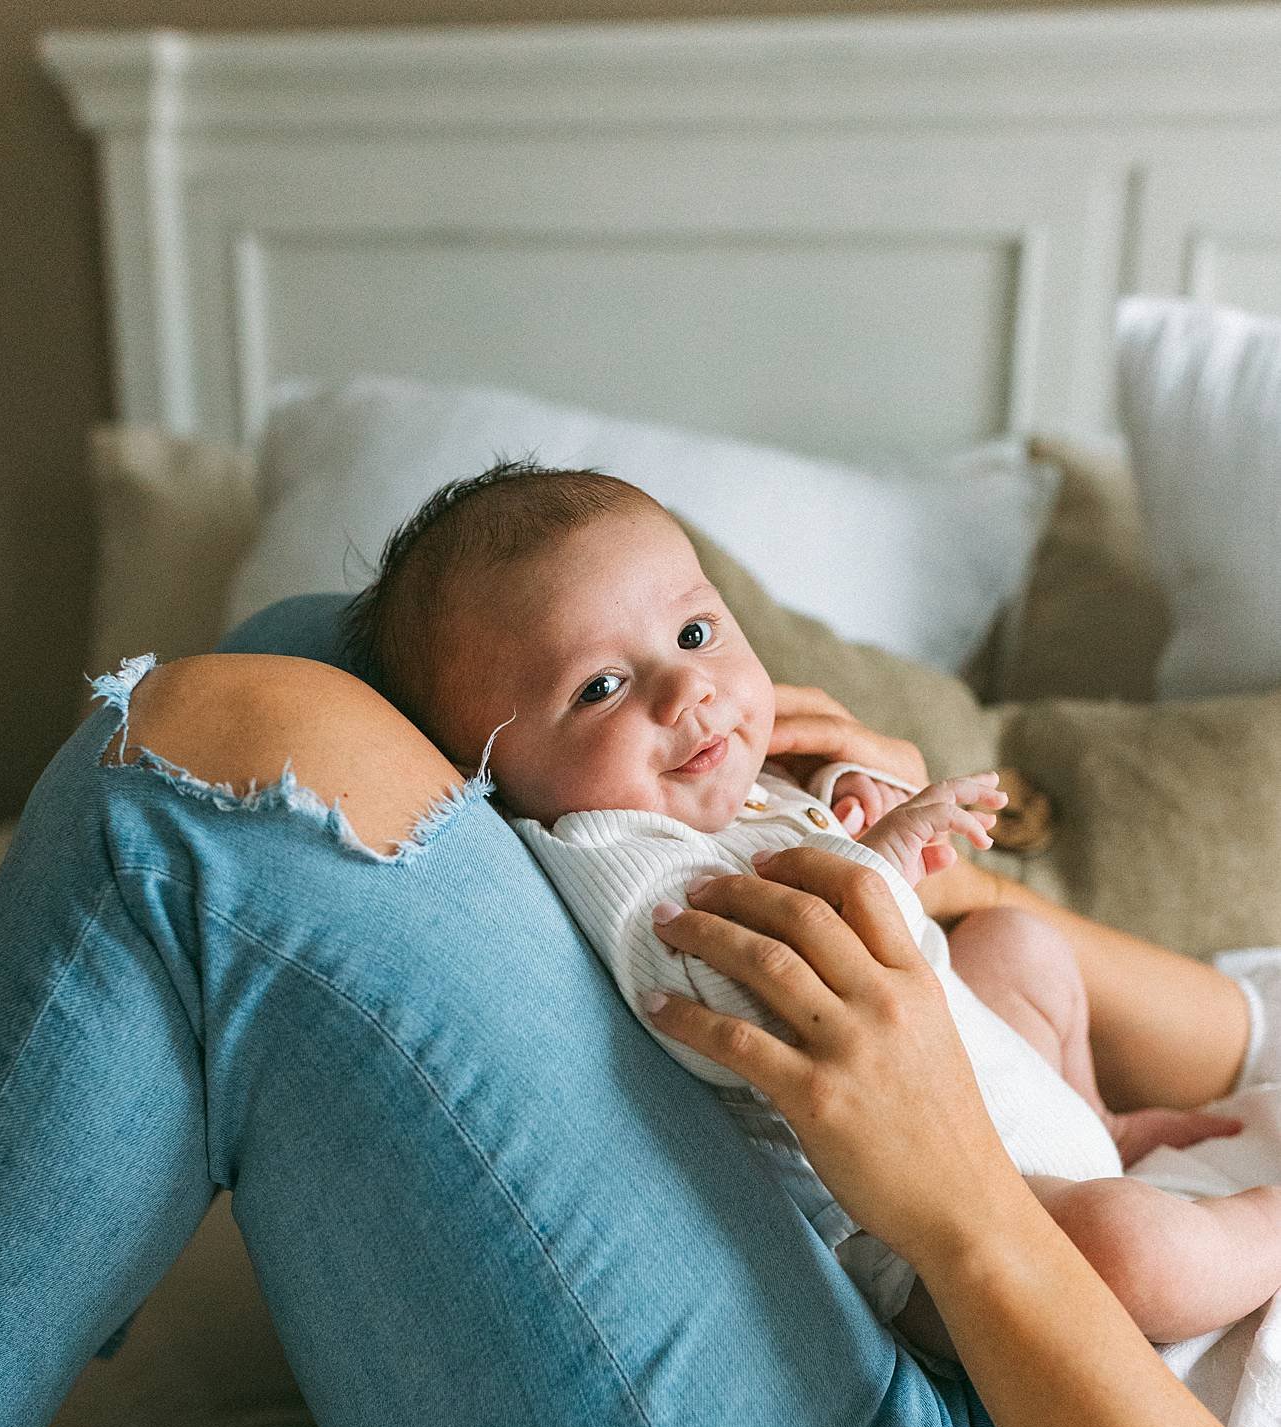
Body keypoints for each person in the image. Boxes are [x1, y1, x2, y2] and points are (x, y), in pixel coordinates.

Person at [0, 519, 1281, 1427]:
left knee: (218, 756)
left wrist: (968, 1214)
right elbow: (1178, 1015)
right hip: (967, 1310)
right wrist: (804, 815)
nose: (677, 678)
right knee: (321, 645)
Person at [333, 459, 1275, 1360]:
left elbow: (803, 828)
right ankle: (1255, 1229)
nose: (686, 690)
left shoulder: (715, 783)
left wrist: (844, 785)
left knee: (1012, 939)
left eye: (695, 635)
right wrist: (883, 854)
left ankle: (1097, 1121)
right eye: (600, 688)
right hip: (923, 1237)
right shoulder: (608, 856)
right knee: (1132, 1255)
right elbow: (739, 980)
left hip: (1008, 1107)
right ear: (489, 780)